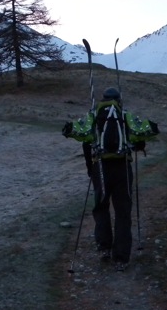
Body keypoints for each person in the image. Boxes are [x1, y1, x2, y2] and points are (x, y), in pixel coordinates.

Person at [63, 87, 159, 271]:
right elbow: (146, 131)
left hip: (101, 167)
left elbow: (80, 131)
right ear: (119, 99)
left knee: (101, 207)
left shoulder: (94, 114)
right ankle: (122, 258)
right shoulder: (125, 115)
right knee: (123, 211)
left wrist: (69, 129)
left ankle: (104, 247)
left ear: (103, 99)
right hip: (123, 166)